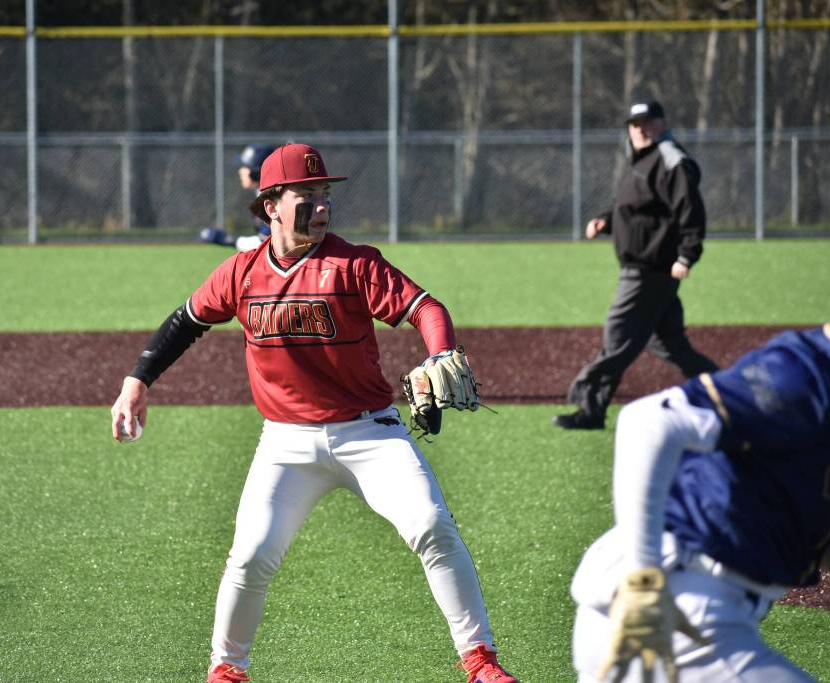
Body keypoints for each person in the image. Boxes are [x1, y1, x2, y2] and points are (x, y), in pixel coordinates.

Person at [111, 143, 519, 683]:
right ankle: (227, 671)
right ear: (271, 204)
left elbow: (426, 308)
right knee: (251, 555)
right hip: (285, 443)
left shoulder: (354, 264)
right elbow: (186, 321)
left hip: (370, 433)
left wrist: (439, 351)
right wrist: (137, 379)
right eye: (308, 195)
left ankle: (481, 663)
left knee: (431, 525)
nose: (323, 206)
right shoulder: (241, 272)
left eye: (326, 194)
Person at [570, 324, 830, 682]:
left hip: (677, 604)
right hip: (672, 605)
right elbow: (648, 420)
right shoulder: (807, 372)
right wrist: (643, 580)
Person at [554, 100, 719, 430]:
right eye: (634, 123)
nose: (639, 128)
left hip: (650, 270)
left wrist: (687, 255)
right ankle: (725, 392)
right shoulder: (640, 159)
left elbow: (691, 211)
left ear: (662, 122)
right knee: (668, 344)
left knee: (616, 335)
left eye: (646, 121)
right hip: (644, 268)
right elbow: (632, 208)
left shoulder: (671, 160)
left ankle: (586, 396)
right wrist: (605, 220)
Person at [199, 144, 277, 252]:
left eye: (245, 167)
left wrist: (227, 239)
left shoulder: (273, 200)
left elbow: (267, 244)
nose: (241, 171)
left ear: (256, 172)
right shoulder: (267, 194)